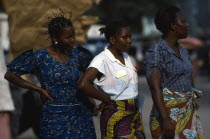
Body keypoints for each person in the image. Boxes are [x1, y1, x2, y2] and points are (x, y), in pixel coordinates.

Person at [4, 10, 96, 138]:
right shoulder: (40, 57)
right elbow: (10, 75)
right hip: (53, 118)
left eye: (73, 36)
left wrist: (90, 94)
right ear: (55, 38)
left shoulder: (77, 54)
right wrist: (38, 89)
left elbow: (91, 72)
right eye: (68, 37)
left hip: (80, 116)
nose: (72, 40)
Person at [144, 6, 204, 139]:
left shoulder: (183, 51)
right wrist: (165, 120)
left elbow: (188, 76)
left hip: (187, 112)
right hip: (168, 115)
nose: (187, 25)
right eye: (183, 21)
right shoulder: (156, 52)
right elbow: (155, 88)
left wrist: (191, 101)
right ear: (173, 26)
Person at [79, 20, 146, 139]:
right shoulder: (102, 60)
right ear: (112, 40)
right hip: (116, 115)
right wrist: (105, 98)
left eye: (130, 37)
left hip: (135, 115)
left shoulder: (125, 56)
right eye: (124, 37)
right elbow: (84, 84)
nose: (129, 41)